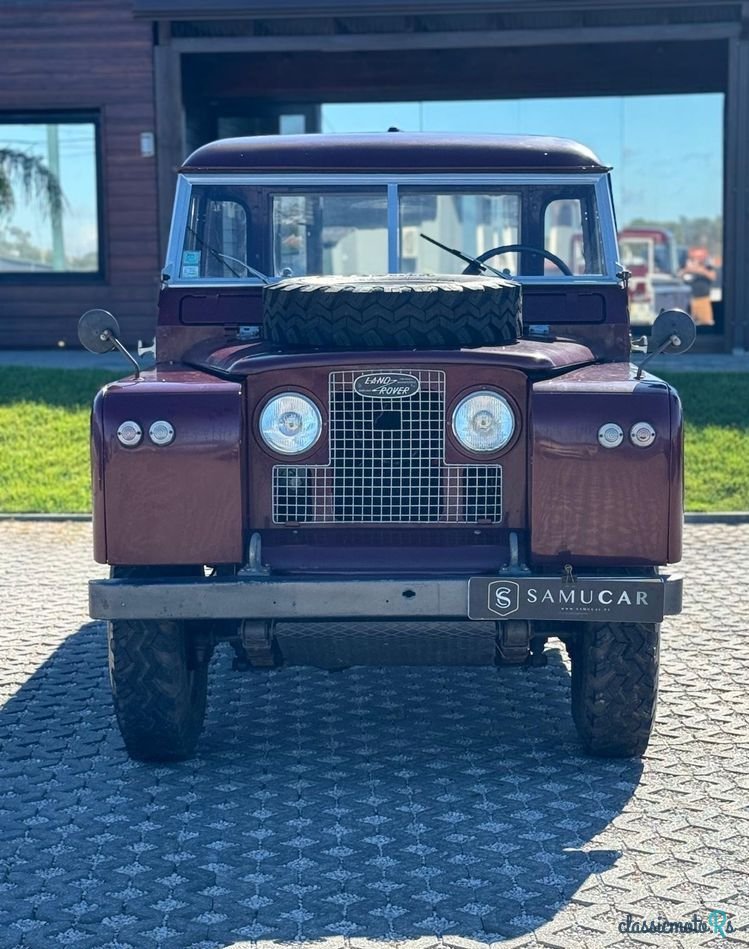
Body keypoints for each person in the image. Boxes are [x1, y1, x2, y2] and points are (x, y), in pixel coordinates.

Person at [680, 247, 716, 326]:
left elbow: (713, 276)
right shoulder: (687, 266)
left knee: (705, 323)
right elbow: (680, 274)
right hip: (689, 299)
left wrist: (699, 270)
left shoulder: (707, 266)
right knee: (687, 324)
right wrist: (688, 269)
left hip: (703, 299)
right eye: (694, 257)